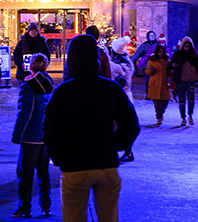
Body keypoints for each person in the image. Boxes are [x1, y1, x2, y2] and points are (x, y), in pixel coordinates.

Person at [44, 35, 140, 222]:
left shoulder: (64, 91)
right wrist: (114, 145)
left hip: (74, 164)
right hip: (105, 162)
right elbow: (131, 124)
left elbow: (50, 129)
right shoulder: (111, 88)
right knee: (109, 217)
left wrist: (59, 156)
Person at [12, 53, 56, 217]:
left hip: (31, 136)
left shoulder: (28, 85)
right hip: (44, 136)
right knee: (44, 173)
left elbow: (25, 112)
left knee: (25, 173)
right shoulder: (50, 83)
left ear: (30, 66)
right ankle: (46, 206)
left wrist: (18, 135)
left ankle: (25, 207)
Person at [107, 38, 136, 162]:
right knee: (124, 123)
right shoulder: (128, 64)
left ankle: (120, 151)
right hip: (128, 96)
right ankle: (128, 150)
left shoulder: (114, 66)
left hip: (118, 96)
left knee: (115, 124)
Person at [170, 36, 198, 126]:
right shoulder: (178, 54)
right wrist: (174, 65)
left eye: (188, 46)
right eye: (185, 46)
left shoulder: (194, 55)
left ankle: (190, 115)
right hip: (180, 80)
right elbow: (172, 64)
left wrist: (197, 75)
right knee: (181, 100)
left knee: (191, 99)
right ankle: (183, 118)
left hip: (191, 80)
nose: (187, 48)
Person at [144, 44, 173, 126]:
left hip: (164, 84)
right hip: (154, 84)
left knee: (165, 102)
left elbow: (170, 73)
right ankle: (159, 117)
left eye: (163, 52)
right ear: (157, 52)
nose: (161, 53)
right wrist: (151, 70)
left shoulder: (167, 62)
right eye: (160, 52)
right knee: (157, 103)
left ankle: (160, 113)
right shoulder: (152, 61)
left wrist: (173, 83)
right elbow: (147, 72)